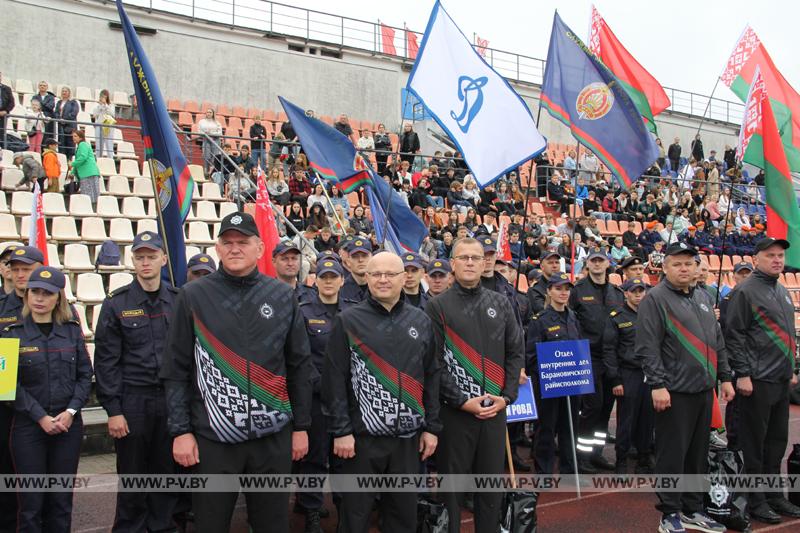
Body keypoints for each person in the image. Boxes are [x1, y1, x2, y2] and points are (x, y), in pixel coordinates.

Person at [160, 211, 313, 533]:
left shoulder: (283, 296)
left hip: (273, 438)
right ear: (217, 248)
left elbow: (299, 366)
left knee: (273, 525)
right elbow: (176, 368)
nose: (234, 248)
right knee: (210, 524)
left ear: (259, 248)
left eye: (242, 242)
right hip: (214, 438)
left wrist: (301, 426)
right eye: (227, 242)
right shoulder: (193, 296)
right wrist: (181, 431)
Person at [323, 252, 441, 533]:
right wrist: (341, 430)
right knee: (355, 517)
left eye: (391, 274)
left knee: (402, 517)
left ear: (404, 278)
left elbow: (432, 375)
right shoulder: (348, 320)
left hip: (407, 441)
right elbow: (334, 378)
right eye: (376, 274)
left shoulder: (421, 321)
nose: (383, 280)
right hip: (361, 443)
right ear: (367, 278)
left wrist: (432, 427)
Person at [426, 237, 524, 533]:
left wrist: (506, 398)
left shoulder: (502, 303)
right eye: (463, 257)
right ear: (452, 264)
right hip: (455, 414)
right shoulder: (437, 305)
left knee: (490, 487)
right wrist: (460, 400)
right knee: (451, 491)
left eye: (476, 257)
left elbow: (515, 352)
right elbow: (434, 363)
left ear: (485, 263)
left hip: (495, 412)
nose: (470, 262)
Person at [635, 242, 734, 533]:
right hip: (673, 392)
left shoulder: (702, 297)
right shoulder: (655, 299)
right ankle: (670, 513)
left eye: (689, 264)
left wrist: (725, 376)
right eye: (677, 264)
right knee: (672, 454)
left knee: (696, 455)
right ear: (664, 267)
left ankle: (692, 508)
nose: (683, 269)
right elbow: (647, 347)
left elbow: (718, 341)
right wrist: (657, 384)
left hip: (703, 391)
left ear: (696, 268)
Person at [94, 231, 181, 532]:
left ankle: (161, 526)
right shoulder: (116, 304)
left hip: (170, 400)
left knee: (165, 472)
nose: (145, 262)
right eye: (139, 257)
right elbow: (106, 362)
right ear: (132, 260)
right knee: (132, 474)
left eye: (151, 256)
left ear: (163, 259)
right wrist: (113, 410)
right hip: (133, 401)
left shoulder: (179, 301)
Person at [3, 266, 92, 533]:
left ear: (58, 298)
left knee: (61, 501)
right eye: (35, 292)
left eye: (47, 293)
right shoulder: (9, 332)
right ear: (27, 295)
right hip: (29, 427)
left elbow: (85, 376)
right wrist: (40, 417)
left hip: (67, 427)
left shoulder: (72, 330)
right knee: (30, 504)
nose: (39, 298)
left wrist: (71, 411)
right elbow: (6, 385)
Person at [724, 237, 800, 523]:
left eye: (780, 255)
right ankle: (755, 500)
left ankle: (773, 495)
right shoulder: (745, 292)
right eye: (770, 255)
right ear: (756, 259)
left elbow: (786, 335)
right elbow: (735, 335)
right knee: (753, 444)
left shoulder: (780, 290)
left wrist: (791, 368)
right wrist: (742, 373)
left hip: (780, 378)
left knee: (776, 442)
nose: (777, 260)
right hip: (755, 380)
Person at [296, 259, 348, 531]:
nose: (328, 281)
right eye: (323, 276)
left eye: (334, 277)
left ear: (342, 280)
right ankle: (312, 511)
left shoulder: (353, 312)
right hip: (315, 399)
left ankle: (343, 508)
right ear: (315, 280)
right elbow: (302, 358)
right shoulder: (303, 312)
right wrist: (325, 387)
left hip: (346, 401)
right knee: (314, 459)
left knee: (344, 459)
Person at [569, 251, 624, 472]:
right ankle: (581, 455)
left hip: (611, 358)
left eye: (601, 260)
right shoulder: (578, 291)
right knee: (592, 407)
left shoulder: (617, 293)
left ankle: (596, 453)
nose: (598, 264)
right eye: (594, 261)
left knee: (605, 409)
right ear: (588, 264)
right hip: (587, 357)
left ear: (608, 264)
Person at [526, 273, 582, 474]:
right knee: (546, 429)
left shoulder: (574, 317)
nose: (563, 293)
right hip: (549, 384)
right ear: (549, 291)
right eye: (558, 288)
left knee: (570, 427)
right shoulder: (539, 320)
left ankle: (569, 470)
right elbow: (531, 356)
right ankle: (544, 472)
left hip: (572, 382)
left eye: (567, 289)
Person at [603, 278, 653, 474]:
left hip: (649, 374)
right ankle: (621, 461)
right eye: (635, 292)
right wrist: (615, 379)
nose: (639, 295)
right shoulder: (617, 317)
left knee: (647, 419)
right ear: (626, 294)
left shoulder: (651, 314)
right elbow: (609, 350)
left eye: (642, 291)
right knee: (627, 420)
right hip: (628, 373)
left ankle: (644, 459)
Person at [0, 246, 45, 325]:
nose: (20, 275)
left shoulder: (57, 306)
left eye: (26, 269)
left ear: (40, 270)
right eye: (15, 270)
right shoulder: (1, 307)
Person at [272, 239, 315, 304]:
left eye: (294, 258)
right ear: (274, 262)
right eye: (285, 259)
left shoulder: (312, 294)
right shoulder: (265, 294)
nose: (290, 263)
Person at [69, 130, 101, 205]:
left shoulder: (83, 145)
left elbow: (83, 157)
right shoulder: (81, 146)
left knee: (88, 195)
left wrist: (72, 164)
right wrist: (72, 172)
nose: (73, 138)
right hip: (88, 172)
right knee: (91, 195)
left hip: (88, 173)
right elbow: (79, 161)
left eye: (75, 136)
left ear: (80, 138)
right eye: (73, 136)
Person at [526, 251, 562, 318]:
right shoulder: (534, 290)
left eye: (557, 262)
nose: (555, 266)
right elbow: (542, 313)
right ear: (542, 267)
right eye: (550, 263)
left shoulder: (566, 287)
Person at [54, 86, 79, 158]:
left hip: (70, 126)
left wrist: (64, 119)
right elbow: (56, 112)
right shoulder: (59, 102)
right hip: (61, 126)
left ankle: (69, 163)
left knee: (70, 145)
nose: (64, 92)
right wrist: (59, 119)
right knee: (61, 145)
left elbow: (74, 113)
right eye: (63, 91)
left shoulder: (73, 102)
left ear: (69, 93)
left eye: (66, 91)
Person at [91, 89, 116, 158]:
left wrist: (105, 106)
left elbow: (112, 114)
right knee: (98, 145)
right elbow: (95, 114)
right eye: (101, 96)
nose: (102, 98)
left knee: (109, 144)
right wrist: (100, 106)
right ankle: (98, 159)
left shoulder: (111, 105)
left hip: (108, 126)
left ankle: (110, 159)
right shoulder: (96, 106)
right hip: (99, 126)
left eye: (104, 97)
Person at [197, 109, 223, 175]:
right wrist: (204, 133)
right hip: (206, 139)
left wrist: (211, 133)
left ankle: (212, 172)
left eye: (210, 112)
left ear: (213, 113)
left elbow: (220, 133)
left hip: (215, 140)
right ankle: (205, 171)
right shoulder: (201, 121)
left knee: (214, 157)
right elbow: (199, 131)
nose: (208, 113)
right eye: (207, 112)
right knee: (206, 156)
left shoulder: (217, 122)